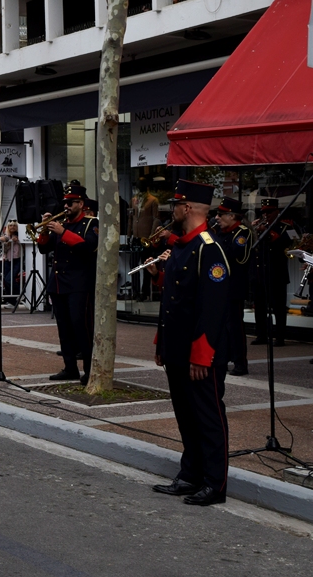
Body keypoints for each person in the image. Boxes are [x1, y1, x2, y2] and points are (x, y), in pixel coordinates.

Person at [148, 180, 232, 507]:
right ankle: (190, 474)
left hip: (200, 353)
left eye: (177, 204)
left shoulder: (209, 248)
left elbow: (212, 309)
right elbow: (173, 299)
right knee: (186, 414)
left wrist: (202, 355)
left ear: (187, 208)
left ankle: (215, 483)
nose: (174, 210)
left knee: (208, 417)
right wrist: (161, 342)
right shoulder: (184, 245)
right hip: (178, 348)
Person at [36, 185, 98, 383]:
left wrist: (63, 232)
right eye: (64, 203)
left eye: (70, 203)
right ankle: (70, 367)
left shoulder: (91, 223)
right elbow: (44, 249)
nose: (66, 206)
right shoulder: (60, 223)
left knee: (82, 327)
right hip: (59, 283)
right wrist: (45, 228)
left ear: (81, 204)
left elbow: (88, 247)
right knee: (64, 328)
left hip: (79, 284)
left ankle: (89, 370)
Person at [213, 197, 253, 376]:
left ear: (232, 216)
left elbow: (238, 257)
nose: (217, 217)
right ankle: (225, 357)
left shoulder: (241, 233)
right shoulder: (219, 232)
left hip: (234, 286)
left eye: (221, 214)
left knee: (235, 326)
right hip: (219, 286)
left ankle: (240, 362)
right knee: (221, 325)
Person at [251, 198, 294, 346]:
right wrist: (253, 231)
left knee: (279, 307)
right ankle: (261, 335)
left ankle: (280, 337)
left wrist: (269, 233)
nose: (266, 215)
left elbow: (290, 243)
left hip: (277, 273)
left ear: (277, 211)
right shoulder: (260, 227)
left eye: (269, 212)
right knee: (260, 307)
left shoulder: (285, 227)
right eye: (264, 212)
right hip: (261, 273)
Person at [0, 220, 22, 305]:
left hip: (17, 259)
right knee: (6, 280)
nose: (12, 227)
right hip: (7, 260)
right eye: (10, 226)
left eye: (14, 225)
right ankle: (11, 300)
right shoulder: (6, 236)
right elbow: (4, 249)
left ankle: (20, 292)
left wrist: (17, 240)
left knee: (9, 279)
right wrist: (9, 243)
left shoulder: (20, 235)